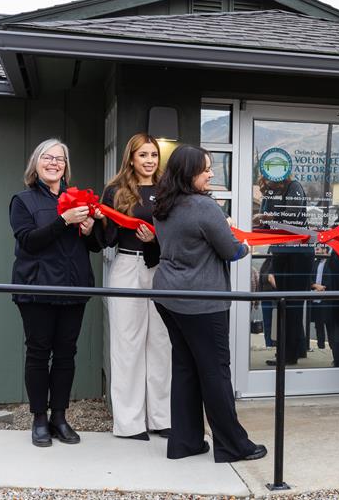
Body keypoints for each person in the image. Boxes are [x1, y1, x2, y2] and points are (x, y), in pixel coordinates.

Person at [151, 145, 266, 462]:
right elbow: (231, 250)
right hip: (202, 300)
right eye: (205, 169)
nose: (211, 173)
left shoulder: (163, 204)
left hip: (167, 295)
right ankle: (232, 445)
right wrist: (244, 246)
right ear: (189, 173)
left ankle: (184, 443)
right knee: (215, 372)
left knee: (185, 368)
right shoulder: (204, 206)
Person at [10, 138, 103, 447]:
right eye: (47, 158)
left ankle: (59, 417)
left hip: (73, 286)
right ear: (35, 164)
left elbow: (94, 246)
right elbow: (29, 241)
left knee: (66, 354)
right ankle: (39, 418)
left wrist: (90, 231)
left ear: (66, 166)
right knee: (38, 353)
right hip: (36, 288)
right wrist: (64, 221)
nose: (54, 163)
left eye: (59, 159)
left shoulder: (77, 198)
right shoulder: (23, 201)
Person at [99, 133, 171, 441]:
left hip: (160, 269)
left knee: (161, 343)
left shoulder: (168, 189)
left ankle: (161, 418)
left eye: (153, 155)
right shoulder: (115, 190)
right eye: (143, 155)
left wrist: (155, 238)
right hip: (127, 267)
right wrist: (101, 221)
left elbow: (178, 232)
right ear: (131, 158)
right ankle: (129, 423)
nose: (149, 160)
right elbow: (106, 240)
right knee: (127, 344)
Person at [255, 176, 314, 366]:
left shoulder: (293, 186)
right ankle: (296, 349)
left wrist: (267, 217)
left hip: (297, 252)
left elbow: (292, 216)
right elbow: (269, 220)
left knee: (291, 304)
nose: (266, 182)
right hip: (282, 250)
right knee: (287, 303)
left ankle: (288, 354)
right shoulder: (272, 192)